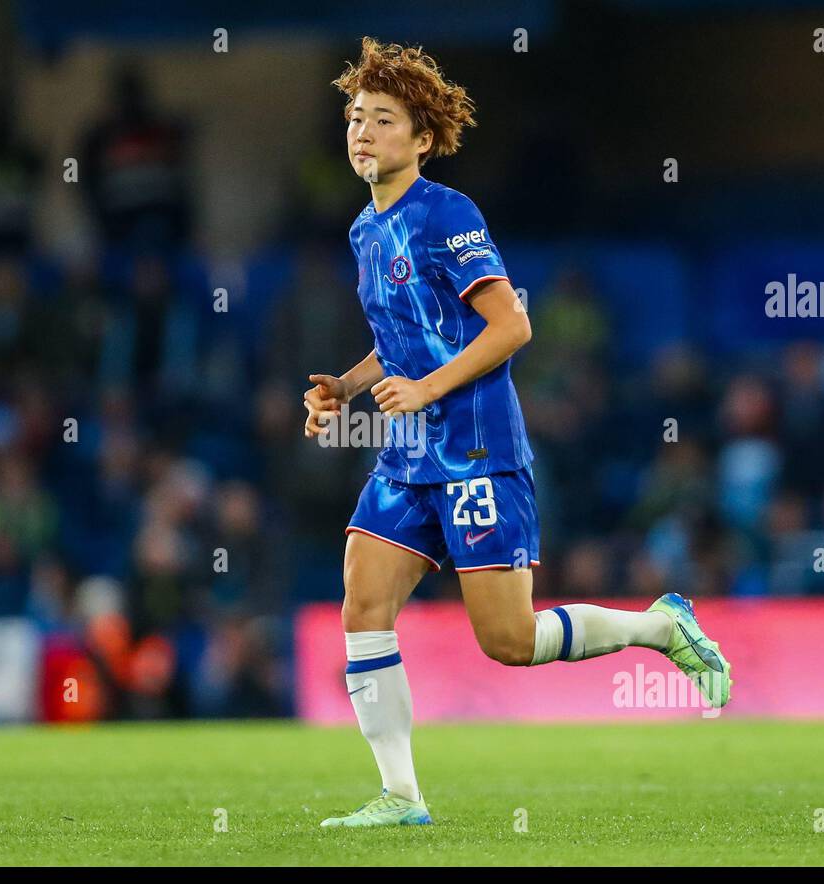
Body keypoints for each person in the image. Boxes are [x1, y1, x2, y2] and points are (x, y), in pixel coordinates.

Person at [303, 38, 732, 828]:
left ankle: (661, 625)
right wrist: (347, 386)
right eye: (356, 118)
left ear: (423, 139)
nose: (362, 132)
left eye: (383, 120)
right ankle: (401, 797)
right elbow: (404, 336)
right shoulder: (366, 230)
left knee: (508, 640)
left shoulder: (447, 212)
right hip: (407, 457)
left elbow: (511, 326)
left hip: (474, 449)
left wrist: (426, 388)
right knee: (362, 603)